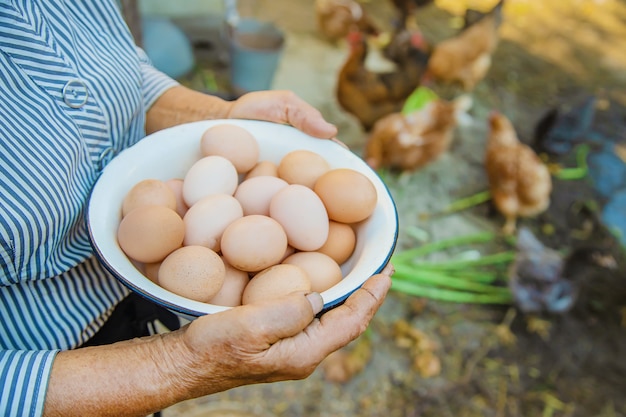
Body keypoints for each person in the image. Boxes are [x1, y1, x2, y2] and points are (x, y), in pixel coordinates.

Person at [0, 2, 393, 417]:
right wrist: (174, 365)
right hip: (54, 361)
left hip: (137, 296)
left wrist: (218, 116)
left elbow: (108, 73)